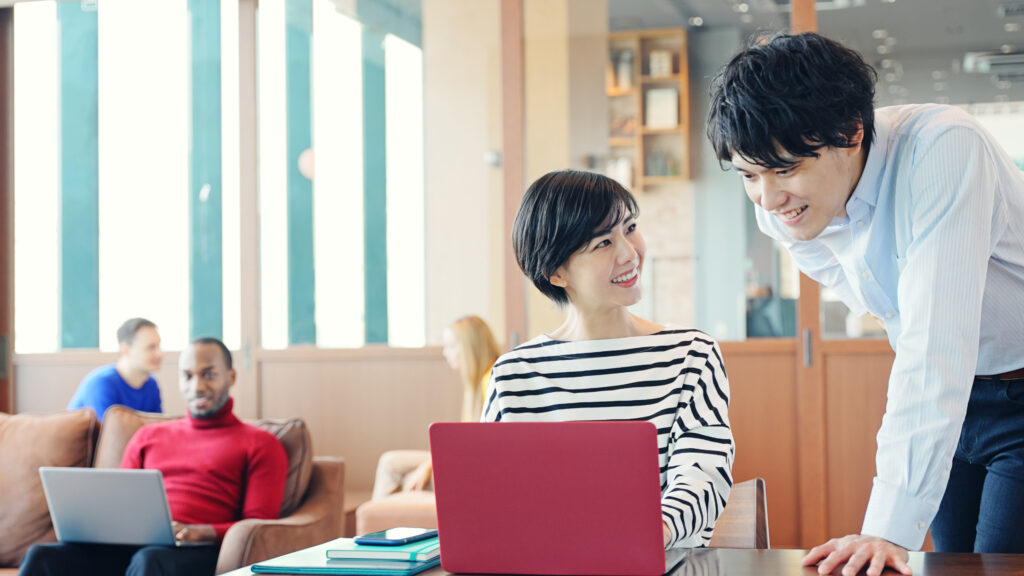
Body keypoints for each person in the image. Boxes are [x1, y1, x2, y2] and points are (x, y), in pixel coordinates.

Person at [706, 32, 1024, 576]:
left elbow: (932, 343)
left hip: (1016, 396)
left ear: (851, 133)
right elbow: (878, 300)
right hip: (959, 400)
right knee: (950, 564)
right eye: (749, 176)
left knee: (996, 566)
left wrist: (883, 529)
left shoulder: (943, 149)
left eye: (784, 170)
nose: (766, 197)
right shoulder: (781, 205)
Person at [483, 169, 734, 549]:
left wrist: (646, 537)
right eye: (603, 242)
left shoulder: (691, 355)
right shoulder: (514, 375)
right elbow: (495, 498)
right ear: (556, 272)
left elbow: (703, 474)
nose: (629, 253)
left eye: (630, 228)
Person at [21, 337, 288, 576]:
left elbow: (259, 526)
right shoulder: (148, 436)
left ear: (230, 377)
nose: (197, 386)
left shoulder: (261, 444)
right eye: (187, 376)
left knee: (150, 561)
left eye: (208, 374)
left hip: (200, 550)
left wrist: (203, 532)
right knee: (42, 557)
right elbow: (118, 503)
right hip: (135, 548)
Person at [371, 316, 502, 499]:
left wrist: (427, 466)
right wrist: (429, 464)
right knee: (389, 462)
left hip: (474, 466)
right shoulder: (475, 384)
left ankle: (381, 521)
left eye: (451, 346)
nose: (445, 353)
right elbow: (464, 440)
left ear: (468, 349)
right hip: (464, 458)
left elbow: (479, 446)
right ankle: (382, 520)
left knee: (405, 477)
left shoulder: (490, 382)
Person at [67, 318, 164, 421]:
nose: (160, 353)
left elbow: (156, 430)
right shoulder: (101, 383)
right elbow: (107, 435)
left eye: (159, 346)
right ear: (125, 350)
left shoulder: (151, 385)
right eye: (151, 347)